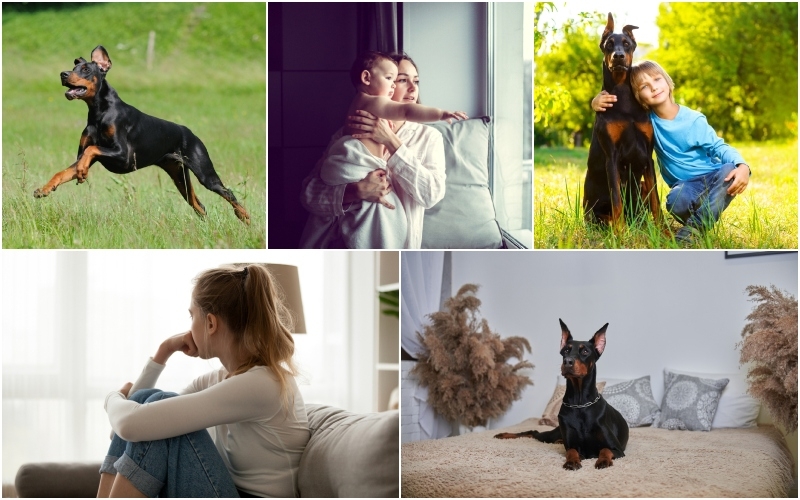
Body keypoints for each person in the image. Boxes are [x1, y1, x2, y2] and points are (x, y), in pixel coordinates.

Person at [97, 264, 309, 498]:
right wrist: (164, 352)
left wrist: (112, 399)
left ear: (210, 323)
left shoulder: (262, 384)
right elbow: (133, 424)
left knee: (160, 410)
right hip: (227, 489)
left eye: (192, 316)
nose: (189, 326)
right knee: (153, 404)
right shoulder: (223, 378)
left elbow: (129, 424)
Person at [300, 52, 463, 248]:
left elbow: (431, 196)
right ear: (370, 80)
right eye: (400, 80)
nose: (412, 88)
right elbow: (308, 196)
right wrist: (354, 192)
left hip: (395, 249)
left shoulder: (428, 137)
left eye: (416, 81)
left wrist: (391, 141)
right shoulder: (351, 130)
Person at [591, 60, 751, 242]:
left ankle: (693, 231)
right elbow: (620, 104)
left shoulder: (693, 119)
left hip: (713, 178)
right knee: (675, 201)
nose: (653, 88)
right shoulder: (646, 123)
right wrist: (595, 102)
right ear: (637, 96)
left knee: (728, 170)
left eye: (657, 79)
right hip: (686, 187)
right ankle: (705, 215)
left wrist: (743, 166)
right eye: (644, 86)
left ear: (667, 81)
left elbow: (719, 146)